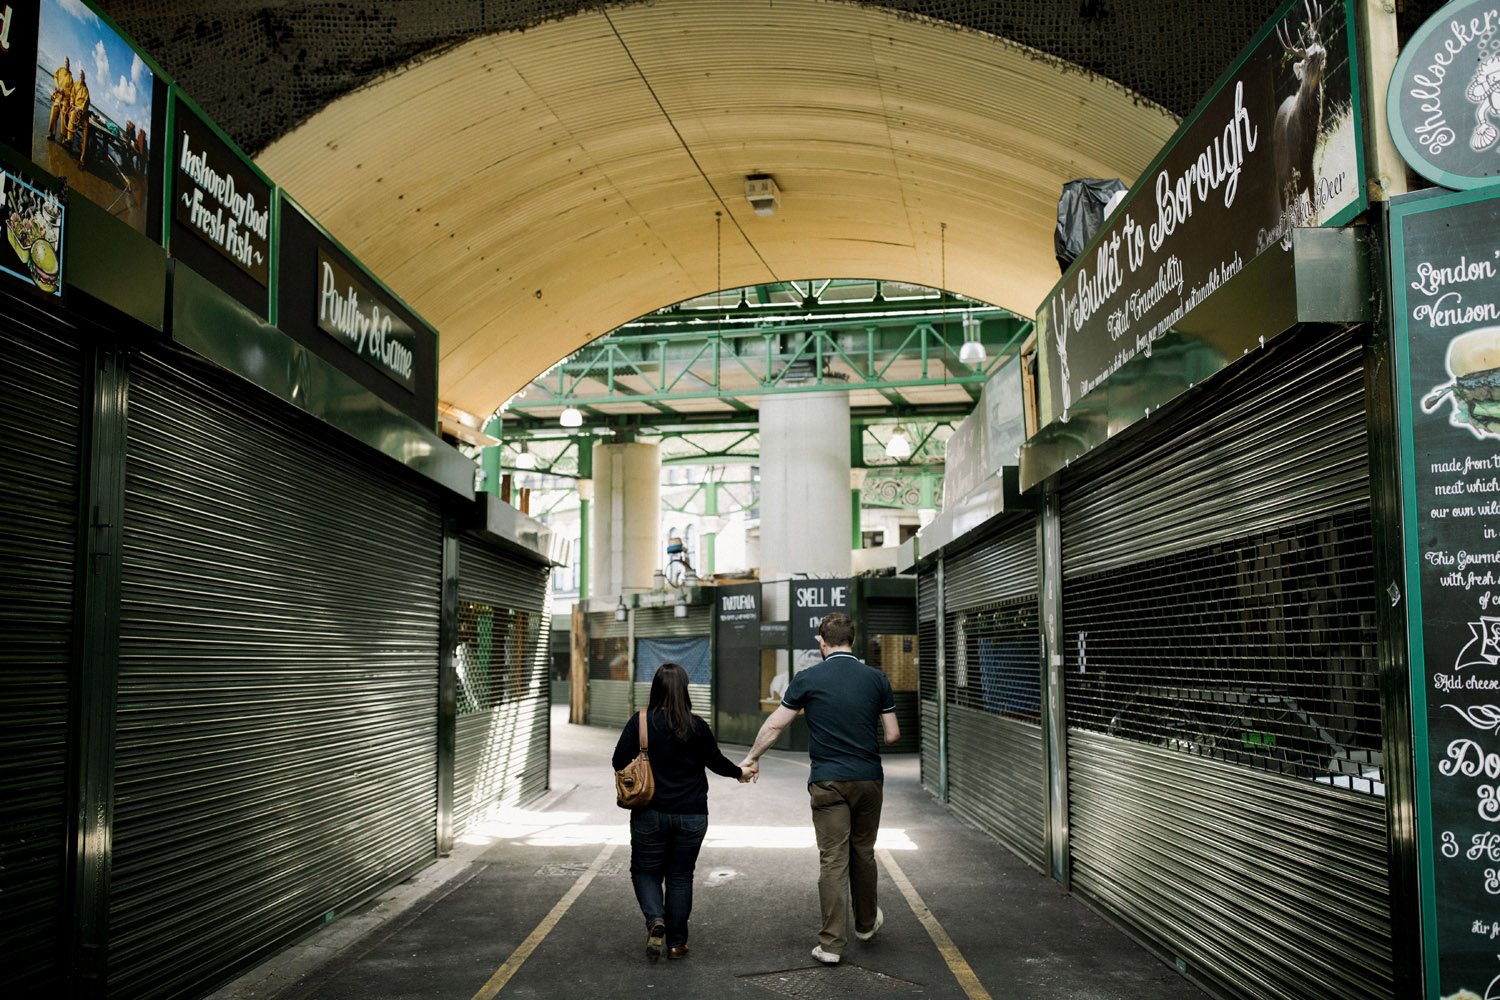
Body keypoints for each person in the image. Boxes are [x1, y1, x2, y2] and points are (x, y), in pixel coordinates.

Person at [740, 612, 899, 966]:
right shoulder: (876, 678)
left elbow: (774, 726)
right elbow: (892, 733)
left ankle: (831, 945)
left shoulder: (808, 679)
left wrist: (751, 759)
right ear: (852, 640)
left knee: (832, 860)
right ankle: (866, 924)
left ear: (821, 642)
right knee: (864, 851)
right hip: (868, 778)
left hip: (827, 780)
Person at [612, 662, 753, 962]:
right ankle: (677, 943)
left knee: (645, 870)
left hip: (649, 813)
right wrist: (741, 772)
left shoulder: (640, 723)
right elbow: (716, 762)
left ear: (655, 689)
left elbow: (618, 761)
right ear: (685, 690)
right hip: (691, 815)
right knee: (680, 876)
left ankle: (655, 920)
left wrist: (645, 757)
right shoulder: (697, 725)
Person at [47, 58, 73, 140]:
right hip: (57, 98)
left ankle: (63, 137)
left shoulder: (70, 78)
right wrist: (57, 86)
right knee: (53, 116)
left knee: (63, 120)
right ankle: (52, 134)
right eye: (65, 62)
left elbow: (71, 92)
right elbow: (55, 77)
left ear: (69, 64)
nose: (66, 63)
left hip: (65, 101)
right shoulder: (60, 70)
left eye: (67, 62)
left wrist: (64, 91)